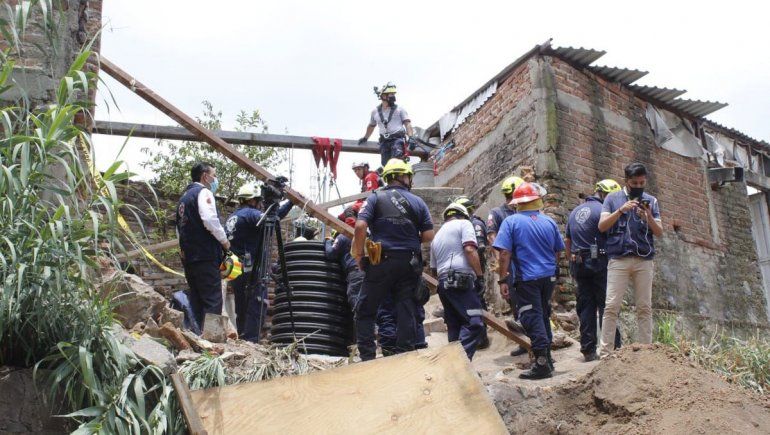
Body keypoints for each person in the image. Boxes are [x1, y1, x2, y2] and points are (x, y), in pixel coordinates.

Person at [352, 159, 434, 361]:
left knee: (365, 310)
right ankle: (404, 356)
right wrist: (408, 239)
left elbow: (360, 227)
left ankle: (368, 359)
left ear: (388, 177)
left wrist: (359, 255)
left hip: (381, 261)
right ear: (404, 176)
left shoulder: (375, 198)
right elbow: (429, 235)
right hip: (409, 263)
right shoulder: (418, 202)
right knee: (405, 307)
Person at [493, 182, 565, 379]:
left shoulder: (511, 222)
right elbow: (558, 250)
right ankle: (547, 359)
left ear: (517, 203)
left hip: (527, 278)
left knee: (531, 317)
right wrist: (550, 269)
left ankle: (541, 363)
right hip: (548, 277)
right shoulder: (549, 221)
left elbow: (504, 253)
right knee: (543, 314)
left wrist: (503, 279)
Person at [598, 163, 663, 358]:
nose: (638, 186)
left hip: (644, 260)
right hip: (619, 258)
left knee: (644, 307)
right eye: (635, 182)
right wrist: (621, 211)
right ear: (626, 181)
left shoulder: (651, 200)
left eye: (642, 182)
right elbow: (602, 226)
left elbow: (659, 232)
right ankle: (606, 353)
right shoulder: (612, 198)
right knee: (611, 306)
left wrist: (648, 217)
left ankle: (645, 352)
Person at [224, 184, 292, 342]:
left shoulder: (233, 216)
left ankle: (242, 336)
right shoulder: (251, 214)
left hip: (232, 265)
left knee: (241, 303)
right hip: (250, 265)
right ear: (253, 200)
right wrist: (288, 203)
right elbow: (273, 220)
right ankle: (251, 339)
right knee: (256, 302)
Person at [565, 180, 623, 361]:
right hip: (599, 262)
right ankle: (612, 348)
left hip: (578, 262)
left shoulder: (575, 212)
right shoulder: (603, 212)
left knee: (586, 307)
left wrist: (571, 263)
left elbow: (567, 241)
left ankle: (588, 350)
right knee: (606, 305)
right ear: (607, 195)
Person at [176, 162, 230, 334]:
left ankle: (198, 338)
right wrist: (224, 241)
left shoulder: (183, 199)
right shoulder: (203, 192)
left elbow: (179, 230)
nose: (215, 179)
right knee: (213, 299)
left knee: (197, 299)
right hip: (205, 255)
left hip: (189, 258)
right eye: (214, 175)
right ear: (205, 176)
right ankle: (214, 341)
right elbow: (209, 219)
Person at [430, 203, 485, 359]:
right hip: (461, 279)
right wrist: (479, 276)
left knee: (454, 326)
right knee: (474, 323)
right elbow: (469, 249)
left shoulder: (437, 236)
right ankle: (461, 364)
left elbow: (434, 269)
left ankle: (455, 370)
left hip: (443, 283)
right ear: (464, 215)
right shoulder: (464, 224)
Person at [486, 176, 527, 356]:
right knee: (515, 302)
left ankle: (536, 339)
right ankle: (524, 342)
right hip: (509, 264)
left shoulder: (523, 211)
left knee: (530, 302)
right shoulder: (497, 213)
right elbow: (491, 236)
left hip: (526, 263)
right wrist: (501, 260)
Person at [455, 196, 491, 349]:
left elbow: (480, 247)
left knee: (478, 302)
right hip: (468, 270)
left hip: (476, 269)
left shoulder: (475, 224)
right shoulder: (464, 225)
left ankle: (481, 338)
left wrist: (478, 274)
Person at [357, 82, 415, 166]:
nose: (393, 97)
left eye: (393, 94)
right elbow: (371, 126)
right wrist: (365, 138)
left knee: (397, 161)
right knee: (386, 165)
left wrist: (411, 137)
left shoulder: (400, 109)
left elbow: (407, 124)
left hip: (397, 140)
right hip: (384, 142)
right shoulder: (375, 112)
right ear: (383, 96)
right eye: (390, 94)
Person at [325, 212, 362, 309]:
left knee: (354, 297)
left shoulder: (342, 237)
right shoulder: (364, 235)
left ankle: (365, 322)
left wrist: (328, 242)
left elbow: (330, 253)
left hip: (355, 272)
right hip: (368, 271)